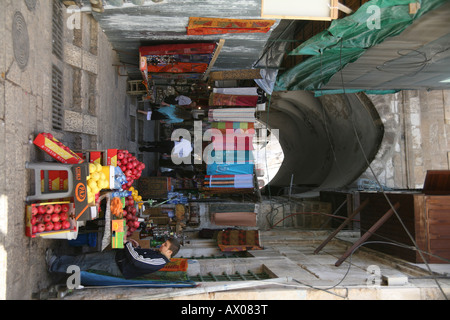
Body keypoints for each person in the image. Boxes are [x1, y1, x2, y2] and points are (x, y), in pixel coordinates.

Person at [46, 238, 181, 280]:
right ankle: (58, 261)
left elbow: (137, 260)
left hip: (117, 264)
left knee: (85, 262)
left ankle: (55, 265)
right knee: (85, 259)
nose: (162, 245)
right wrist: (136, 246)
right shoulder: (159, 255)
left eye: (165, 245)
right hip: (118, 259)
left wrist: (127, 244)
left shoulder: (160, 261)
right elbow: (140, 256)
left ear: (169, 251)